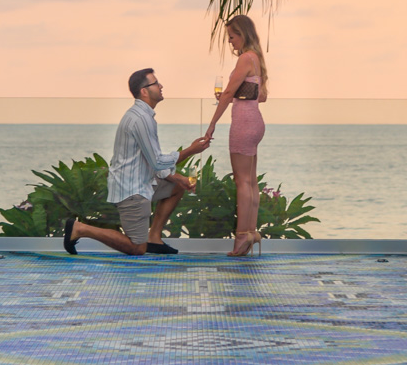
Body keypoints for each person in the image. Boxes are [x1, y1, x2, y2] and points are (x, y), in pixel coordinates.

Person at [63, 68, 211, 256]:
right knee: (136, 248)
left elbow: (149, 160)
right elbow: (157, 161)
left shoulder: (144, 116)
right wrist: (191, 150)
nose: (161, 86)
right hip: (131, 189)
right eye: (156, 83)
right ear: (144, 91)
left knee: (176, 187)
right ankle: (80, 229)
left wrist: (176, 178)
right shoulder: (141, 119)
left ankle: (154, 238)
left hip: (141, 183)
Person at [201, 15, 268, 257]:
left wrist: (211, 124)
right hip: (255, 122)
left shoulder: (244, 59)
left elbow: (229, 92)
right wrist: (233, 95)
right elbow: (258, 96)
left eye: (232, 36)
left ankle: (242, 238)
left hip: (243, 123)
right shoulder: (256, 59)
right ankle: (250, 232)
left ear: (243, 34)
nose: (230, 42)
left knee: (242, 182)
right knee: (251, 181)